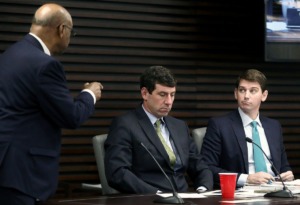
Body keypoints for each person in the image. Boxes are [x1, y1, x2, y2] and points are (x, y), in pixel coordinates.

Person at [0, 3, 103, 204]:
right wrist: (89, 94)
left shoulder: (8, 56)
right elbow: (71, 117)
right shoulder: (46, 65)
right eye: (71, 32)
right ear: (62, 29)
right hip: (24, 175)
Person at [104, 65, 213, 194]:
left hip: (185, 199)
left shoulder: (179, 126)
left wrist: (203, 189)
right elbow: (117, 172)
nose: (169, 101)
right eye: (162, 95)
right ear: (145, 93)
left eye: (172, 95)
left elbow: (200, 167)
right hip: (149, 199)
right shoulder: (125, 125)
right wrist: (156, 194)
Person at [200, 69, 294, 188]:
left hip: (275, 191)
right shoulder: (219, 125)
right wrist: (246, 179)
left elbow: (283, 166)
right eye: (242, 90)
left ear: (264, 96)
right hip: (240, 193)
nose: (246, 96)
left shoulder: (274, 126)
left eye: (253, 91)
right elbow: (207, 167)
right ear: (235, 93)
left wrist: (287, 174)